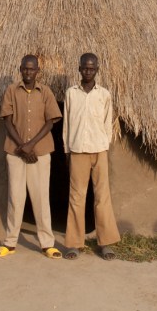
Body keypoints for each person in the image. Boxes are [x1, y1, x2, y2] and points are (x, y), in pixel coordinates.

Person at [0, 54, 63, 259]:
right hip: (15, 152)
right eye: (25, 68)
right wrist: (22, 146)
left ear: (38, 71)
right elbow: (7, 121)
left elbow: (50, 121)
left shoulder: (45, 92)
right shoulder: (12, 91)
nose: (28, 72)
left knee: (41, 198)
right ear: (20, 69)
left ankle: (47, 244)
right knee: (15, 197)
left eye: (32, 69)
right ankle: (10, 242)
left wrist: (31, 145)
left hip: (40, 152)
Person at [63, 52, 120, 260]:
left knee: (102, 197)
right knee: (76, 197)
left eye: (92, 68)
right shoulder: (71, 93)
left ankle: (105, 243)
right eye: (85, 67)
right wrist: (67, 151)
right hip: (78, 151)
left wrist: (104, 145)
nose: (88, 71)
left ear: (97, 69)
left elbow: (107, 123)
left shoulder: (104, 94)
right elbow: (67, 124)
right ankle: (74, 244)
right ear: (79, 68)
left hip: (99, 150)